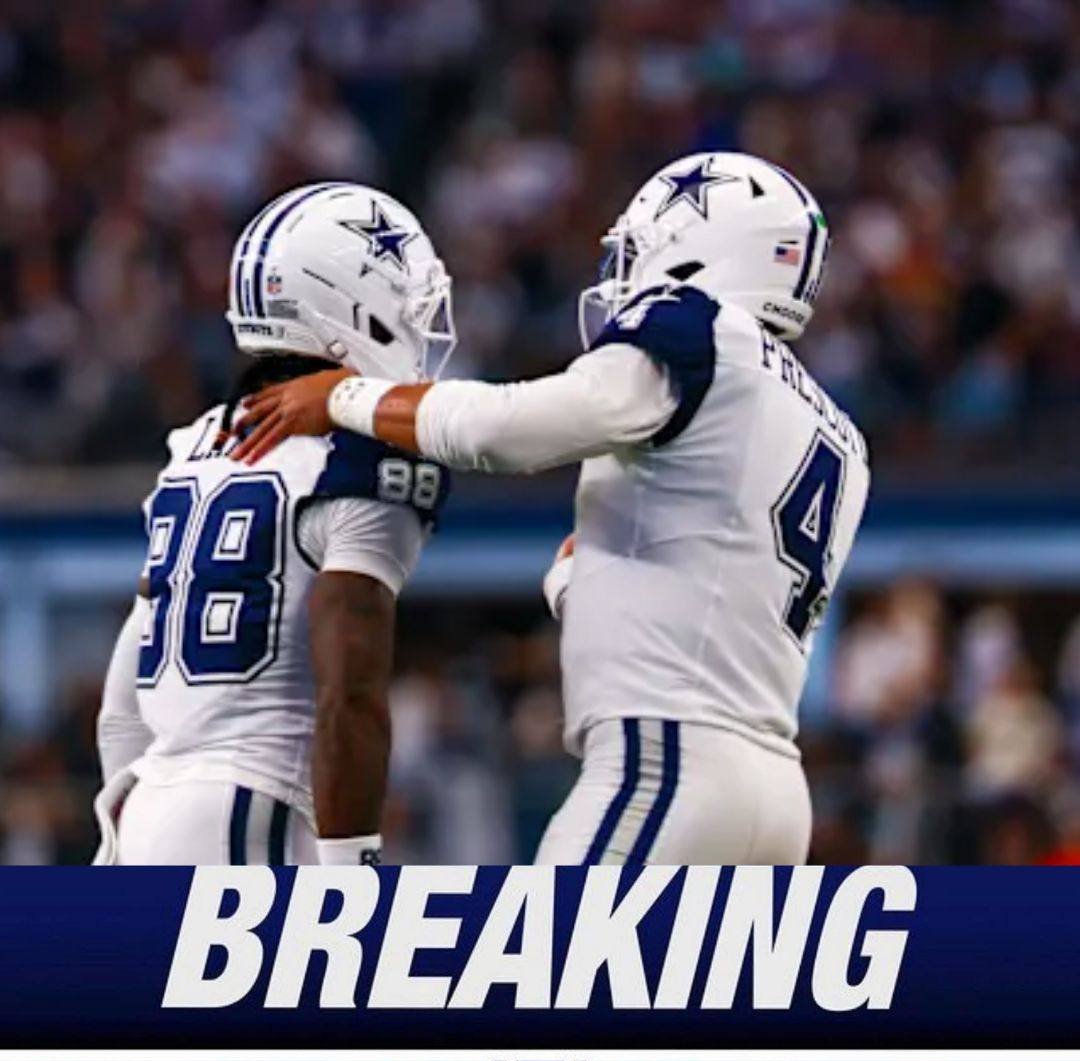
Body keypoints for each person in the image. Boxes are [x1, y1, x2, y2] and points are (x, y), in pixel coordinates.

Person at [231, 152, 871, 864]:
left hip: (665, 764)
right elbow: (718, 591)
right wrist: (584, 584)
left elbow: (506, 430)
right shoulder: (838, 434)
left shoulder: (700, 329)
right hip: (775, 791)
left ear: (699, 245)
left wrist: (347, 397)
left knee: (540, 945)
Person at [92, 182, 454, 865]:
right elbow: (350, 690)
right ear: (350, 307)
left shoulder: (197, 442)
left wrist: (129, 830)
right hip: (252, 807)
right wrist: (351, 871)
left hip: (148, 803)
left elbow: (122, 702)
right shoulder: (361, 451)